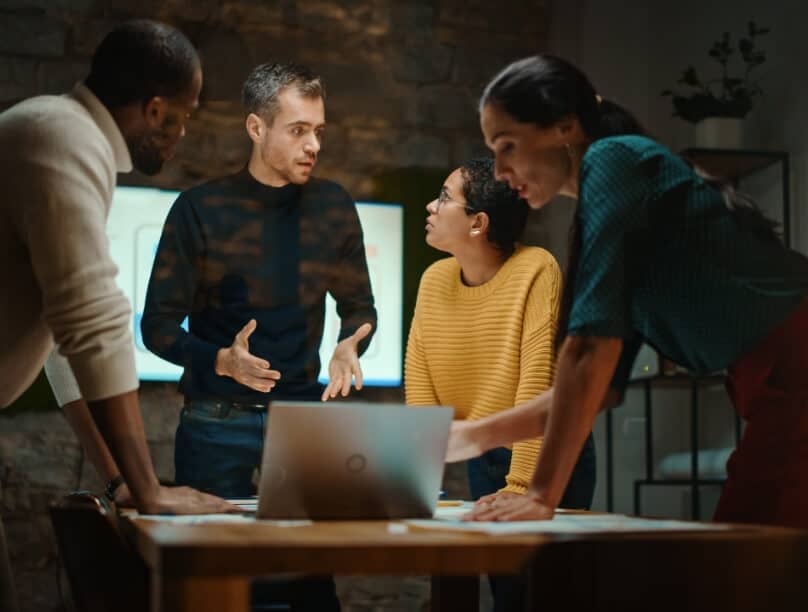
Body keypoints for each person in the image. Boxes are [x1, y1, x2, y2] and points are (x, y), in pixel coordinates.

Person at [447, 53, 808, 529]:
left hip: (794, 364)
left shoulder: (615, 158)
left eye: (508, 146)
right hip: (771, 380)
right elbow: (595, 391)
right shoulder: (615, 199)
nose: (498, 171)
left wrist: (539, 494)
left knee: (753, 563)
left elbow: (588, 351)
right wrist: (472, 437)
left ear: (564, 127)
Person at [140, 62, 377, 611]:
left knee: (310, 585)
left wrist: (351, 343)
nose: (313, 144)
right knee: (210, 584)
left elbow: (359, 307)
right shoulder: (198, 209)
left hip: (301, 424)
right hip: (213, 422)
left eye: (318, 130)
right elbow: (156, 327)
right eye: (298, 130)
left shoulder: (334, 206)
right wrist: (220, 359)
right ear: (256, 128)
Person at [0, 20, 234, 512]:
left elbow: (62, 341)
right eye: (182, 116)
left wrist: (118, 482)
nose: (184, 133)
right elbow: (92, 324)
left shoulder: (63, 133)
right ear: (154, 110)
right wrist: (150, 492)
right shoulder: (64, 140)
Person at [407, 157, 596, 611]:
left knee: (543, 594)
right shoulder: (433, 280)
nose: (431, 206)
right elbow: (420, 385)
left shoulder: (536, 269)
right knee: (506, 594)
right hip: (486, 453)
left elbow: (536, 384)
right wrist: (413, 484)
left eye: (446, 197)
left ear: (478, 223)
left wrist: (521, 489)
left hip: (547, 454)